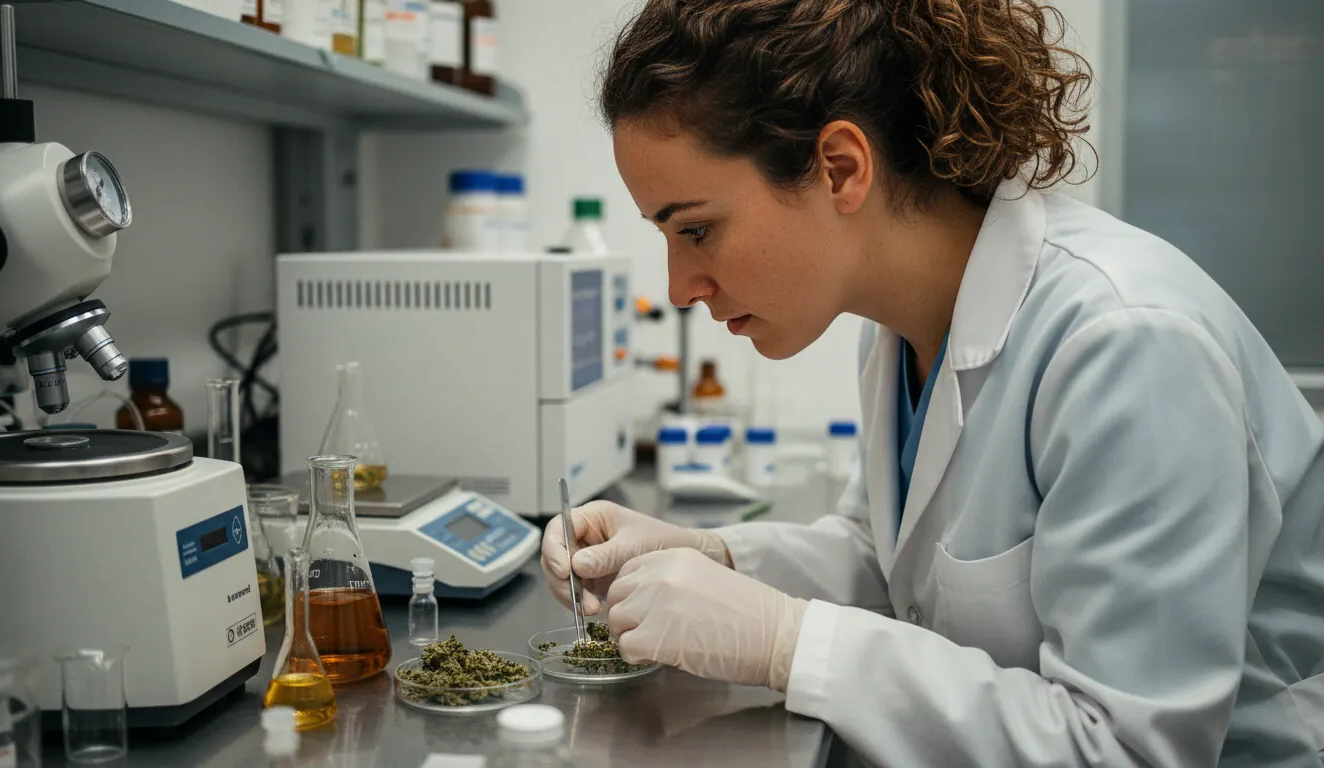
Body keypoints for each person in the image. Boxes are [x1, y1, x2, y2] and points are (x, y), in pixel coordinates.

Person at [541, 1, 1324, 765]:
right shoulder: (901, 327)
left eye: (698, 229)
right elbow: (893, 563)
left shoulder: (1128, 343)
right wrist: (713, 556)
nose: (679, 287)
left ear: (840, 168)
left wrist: (789, 644)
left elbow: (1123, 747)